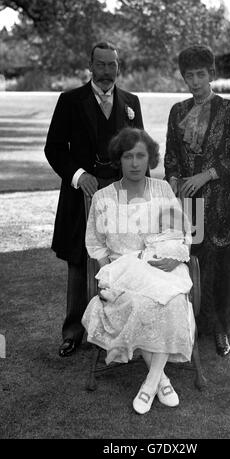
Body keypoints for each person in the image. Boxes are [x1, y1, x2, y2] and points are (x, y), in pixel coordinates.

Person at [82, 127, 195, 414]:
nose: (134, 163)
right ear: (118, 159)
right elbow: (96, 244)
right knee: (139, 303)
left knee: (171, 301)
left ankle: (151, 383)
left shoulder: (162, 190)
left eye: (140, 156)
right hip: (123, 273)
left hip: (161, 267)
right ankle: (161, 380)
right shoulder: (104, 198)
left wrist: (176, 258)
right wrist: (108, 276)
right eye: (128, 156)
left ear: (150, 159)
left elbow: (182, 232)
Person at [44, 41, 144, 357]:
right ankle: (73, 333)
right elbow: (54, 148)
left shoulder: (131, 102)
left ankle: (118, 331)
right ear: (91, 66)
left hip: (120, 193)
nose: (106, 71)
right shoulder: (70, 101)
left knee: (122, 257)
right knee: (79, 260)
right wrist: (77, 175)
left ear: (118, 66)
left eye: (111, 65)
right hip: (81, 194)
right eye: (100, 65)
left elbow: (139, 151)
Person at [164, 45, 230, 357]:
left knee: (223, 264)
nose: (194, 81)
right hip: (190, 203)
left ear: (212, 74)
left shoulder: (229, 109)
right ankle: (196, 323)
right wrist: (175, 180)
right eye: (188, 75)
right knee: (195, 263)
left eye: (200, 74)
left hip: (225, 201)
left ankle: (221, 329)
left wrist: (205, 175)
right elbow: (171, 156)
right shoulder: (177, 111)